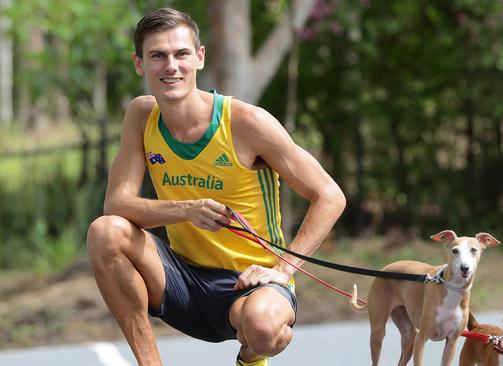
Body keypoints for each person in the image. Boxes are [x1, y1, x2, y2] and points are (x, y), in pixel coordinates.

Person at [87, 7, 345, 366]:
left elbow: (330, 196)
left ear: (200, 57)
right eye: (157, 56)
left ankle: (252, 354)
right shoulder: (141, 116)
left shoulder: (245, 122)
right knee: (105, 232)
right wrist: (186, 210)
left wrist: (283, 270)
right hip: (181, 281)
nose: (171, 66)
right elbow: (116, 204)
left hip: (250, 285)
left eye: (181, 54)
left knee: (264, 326)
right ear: (139, 64)